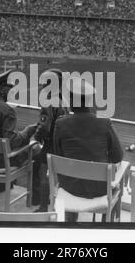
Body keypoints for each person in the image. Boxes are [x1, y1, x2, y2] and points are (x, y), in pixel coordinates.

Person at [53, 77, 123, 222]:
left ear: (72, 101)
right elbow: (117, 156)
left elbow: (58, 155)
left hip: (69, 187)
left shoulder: (61, 123)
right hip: (99, 189)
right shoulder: (104, 121)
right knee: (116, 183)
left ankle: (69, 224)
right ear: (89, 101)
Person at [32, 69, 69, 211]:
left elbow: (44, 126)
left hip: (50, 145)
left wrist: (36, 138)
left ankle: (42, 205)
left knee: (41, 171)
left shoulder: (48, 101)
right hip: (61, 145)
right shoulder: (63, 100)